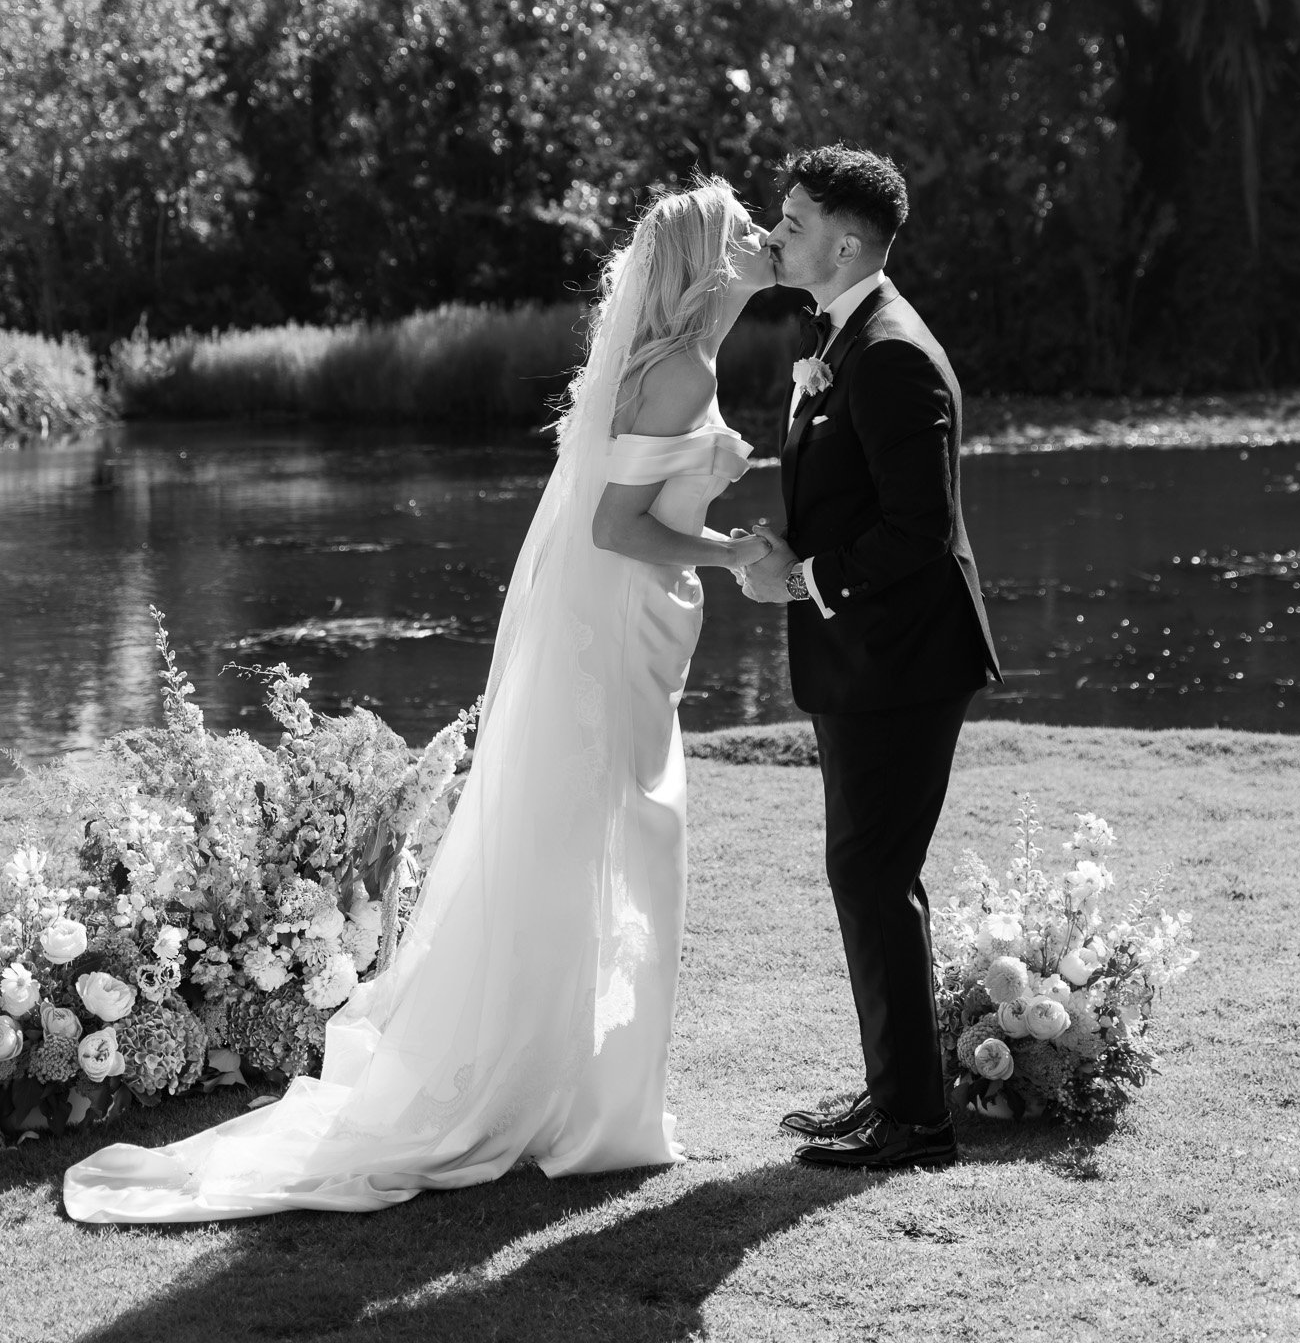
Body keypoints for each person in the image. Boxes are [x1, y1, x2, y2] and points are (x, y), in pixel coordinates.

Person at [64, 179, 775, 1222]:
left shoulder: (679, 363)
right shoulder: (677, 372)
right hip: (621, 631)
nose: (765, 237)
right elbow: (615, 527)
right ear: (710, 262)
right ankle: (583, 1109)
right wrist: (731, 551)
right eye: (747, 229)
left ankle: (582, 1091)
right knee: (623, 846)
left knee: (595, 849)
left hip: (629, 636)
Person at [738, 145, 1002, 1171]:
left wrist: (800, 579)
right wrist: (790, 557)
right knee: (872, 872)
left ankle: (917, 1124)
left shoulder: (890, 350)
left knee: (871, 871)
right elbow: (857, 502)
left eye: (794, 220)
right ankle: (896, 1093)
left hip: (905, 660)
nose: (777, 232)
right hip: (869, 656)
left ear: (846, 241)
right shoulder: (843, 335)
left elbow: (921, 531)